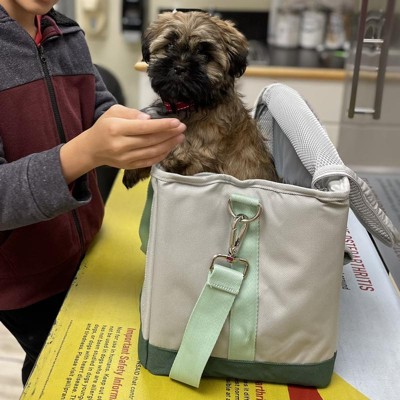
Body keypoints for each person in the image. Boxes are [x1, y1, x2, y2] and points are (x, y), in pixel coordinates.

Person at [0, 0, 186, 385]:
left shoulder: (67, 36)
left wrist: (136, 127)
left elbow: (99, 108)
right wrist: (86, 152)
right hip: (22, 275)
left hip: (86, 250)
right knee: (58, 369)